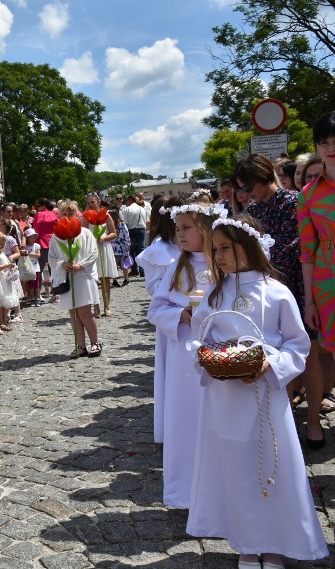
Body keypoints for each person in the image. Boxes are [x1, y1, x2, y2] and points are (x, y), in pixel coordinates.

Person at [187, 216, 327, 568]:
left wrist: (270, 363)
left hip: (265, 395)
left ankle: (275, 545)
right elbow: (200, 338)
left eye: (224, 249)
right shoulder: (215, 295)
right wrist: (210, 358)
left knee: (271, 466)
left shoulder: (276, 292)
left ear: (247, 248)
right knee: (235, 468)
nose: (217, 256)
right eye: (214, 249)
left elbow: (298, 345)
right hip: (226, 397)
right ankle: (247, 544)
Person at [235, 152, 326, 448]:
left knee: (308, 355)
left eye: (248, 186)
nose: (246, 193)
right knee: (274, 355)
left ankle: (313, 421)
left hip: (295, 287)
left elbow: (297, 244)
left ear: (263, 177)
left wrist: (261, 260)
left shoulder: (292, 201)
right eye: (242, 189)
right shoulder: (255, 208)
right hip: (266, 290)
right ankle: (278, 423)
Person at [147, 203, 222, 507]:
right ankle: (185, 490)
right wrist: (181, 314)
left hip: (219, 350)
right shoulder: (178, 267)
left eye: (186, 227)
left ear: (205, 228)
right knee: (186, 418)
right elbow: (156, 309)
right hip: (183, 355)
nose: (180, 234)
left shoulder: (224, 263)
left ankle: (220, 484)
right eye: (177, 228)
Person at [136, 195, 182, 444]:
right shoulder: (159, 250)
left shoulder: (189, 244)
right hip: (172, 318)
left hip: (193, 316)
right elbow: (153, 288)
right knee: (172, 375)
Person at [299, 112, 335, 404]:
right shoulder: (309, 194)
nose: (330, 147)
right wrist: (309, 301)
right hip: (327, 282)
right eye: (323, 142)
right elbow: (307, 253)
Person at [47, 200, 101, 357]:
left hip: (83, 276)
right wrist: (62, 264)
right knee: (73, 313)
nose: (68, 216)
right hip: (67, 277)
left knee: (84, 311)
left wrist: (81, 265)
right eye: (65, 213)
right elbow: (52, 257)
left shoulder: (85, 233)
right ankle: (80, 346)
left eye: (71, 213)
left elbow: (93, 253)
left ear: (76, 215)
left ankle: (95, 342)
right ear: (60, 215)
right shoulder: (56, 237)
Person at [83, 193, 118, 316]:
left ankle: (106, 306)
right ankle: (96, 306)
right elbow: (83, 233)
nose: (90, 205)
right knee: (93, 278)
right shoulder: (86, 216)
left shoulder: (106, 215)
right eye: (88, 203)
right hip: (92, 248)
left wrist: (104, 238)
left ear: (98, 202)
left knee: (106, 278)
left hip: (104, 246)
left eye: (92, 202)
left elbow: (114, 233)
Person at [119, 195, 148, 277]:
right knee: (141, 249)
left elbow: (125, 223)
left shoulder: (127, 209)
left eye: (126, 200)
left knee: (131, 250)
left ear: (130, 200)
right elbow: (145, 220)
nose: (126, 202)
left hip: (132, 229)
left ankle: (134, 269)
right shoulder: (142, 209)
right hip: (142, 229)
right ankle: (142, 270)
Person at [109, 210, 130, 288]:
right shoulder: (109, 225)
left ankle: (126, 279)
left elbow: (126, 235)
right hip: (113, 247)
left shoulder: (122, 225)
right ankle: (114, 280)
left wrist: (127, 245)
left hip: (122, 246)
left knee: (123, 264)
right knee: (114, 264)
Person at [21, 228, 41, 306]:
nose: (32, 239)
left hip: (36, 268)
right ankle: (32, 298)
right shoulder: (25, 247)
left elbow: (38, 255)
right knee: (30, 284)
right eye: (30, 237)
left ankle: (38, 298)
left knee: (36, 284)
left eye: (34, 237)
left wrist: (29, 254)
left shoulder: (36, 246)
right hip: (28, 268)